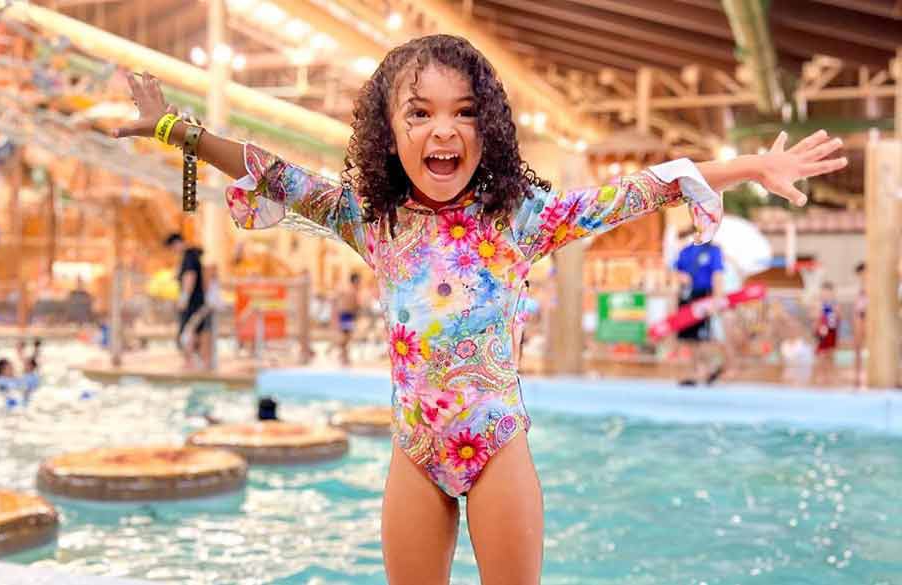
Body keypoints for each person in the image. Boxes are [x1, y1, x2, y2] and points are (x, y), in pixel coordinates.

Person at [114, 34, 846, 585]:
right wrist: (175, 129)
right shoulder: (374, 219)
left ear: (486, 127)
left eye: (464, 112)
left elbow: (641, 188)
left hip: (497, 449)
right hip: (415, 451)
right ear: (389, 133)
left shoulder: (520, 221)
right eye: (421, 112)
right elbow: (270, 172)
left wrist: (750, 165)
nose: (443, 130)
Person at [674, 238, 727, 385]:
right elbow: (675, 271)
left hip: (705, 297)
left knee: (704, 338)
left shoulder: (713, 250)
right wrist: (681, 277)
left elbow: (718, 276)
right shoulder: (685, 251)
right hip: (688, 296)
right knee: (691, 338)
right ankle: (700, 370)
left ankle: (709, 369)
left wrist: (716, 301)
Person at [164, 233, 212, 369]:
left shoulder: (188, 256)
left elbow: (189, 276)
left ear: (176, 244)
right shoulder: (193, 255)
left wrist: (184, 297)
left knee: (188, 331)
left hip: (192, 302)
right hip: (199, 300)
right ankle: (201, 361)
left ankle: (190, 361)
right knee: (198, 331)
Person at [813, 281, 840, 385]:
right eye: (824, 293)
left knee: (830, 352)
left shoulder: (835, 304)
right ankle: (820, 374)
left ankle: (830, 374)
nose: (826, 296)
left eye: (828, 294)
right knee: (821, 353)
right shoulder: (819, 304)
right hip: (822, 330)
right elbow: (815, 317)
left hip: (832, 331)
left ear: (832, 294)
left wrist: (834, 311)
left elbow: (838, 317)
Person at [335, 273, 362, 366]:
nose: (360, 283)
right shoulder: (351, 291)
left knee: (346, 336)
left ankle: (343, 355)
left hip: (347, 315)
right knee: (346, 336)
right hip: (347, 315)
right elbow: (352, 305)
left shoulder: (350, 290)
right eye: (359, 281)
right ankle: (343, 355)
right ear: (355, 281)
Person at [852, 262, 866, 386]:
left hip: (867, 315)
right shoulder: (862, 287)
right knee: (857, 346)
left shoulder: (872, 284)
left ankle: (861, 372)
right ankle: (857, 372)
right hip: (860, 314)